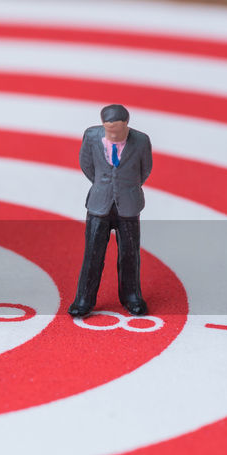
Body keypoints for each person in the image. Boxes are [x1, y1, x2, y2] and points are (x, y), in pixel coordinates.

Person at [68, 104, 153, 318]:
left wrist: (126, 188)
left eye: (117, 130)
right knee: (92, 254)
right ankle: (84, 299)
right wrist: (104, 185)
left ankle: (131, 296)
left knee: (130, 254)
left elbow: (144, 170)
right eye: (109, 130)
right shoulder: (91, 136)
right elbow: (87, 165)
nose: (113, 134)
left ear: (126, 124)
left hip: (129, 204)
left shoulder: (141, 141)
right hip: (99, 204)